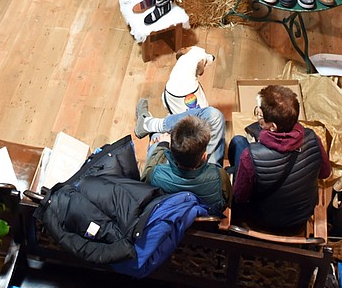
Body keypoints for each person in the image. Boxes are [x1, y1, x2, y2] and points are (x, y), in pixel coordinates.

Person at [228, 84, 331, 232]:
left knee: (238, 142)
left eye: (260, 114)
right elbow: (325, 173)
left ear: (273, 127)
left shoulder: (251, 155)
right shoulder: (313, 138)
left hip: (262, 220)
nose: (257, 116)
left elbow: (240, 196)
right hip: (300, 218)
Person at [141, 115, 230, 214]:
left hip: (169, 222)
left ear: (171, 152)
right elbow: (226, 202)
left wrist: (163, 145)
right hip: (206, 224)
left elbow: (144, 184)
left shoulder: (155, 174)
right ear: (204, 156)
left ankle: (148, 122)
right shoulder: (220, 176)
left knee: (155, 136)